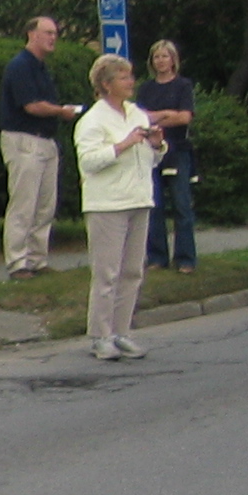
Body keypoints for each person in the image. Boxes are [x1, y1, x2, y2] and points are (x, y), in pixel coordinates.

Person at [74, 55, 164, 362]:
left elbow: (151, 160)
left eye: (130, 76)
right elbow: (89, 162)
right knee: (107, 272)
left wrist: (156, 145)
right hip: (107, 204)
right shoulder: (93, 121)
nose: (130, 82)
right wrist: (123, 144)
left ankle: (121, 332)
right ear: (106, 84)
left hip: (139, 198)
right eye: (123, 78)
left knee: (132, 271)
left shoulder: (137, 114)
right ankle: (100, 335)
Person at [0, 16, 82, 278]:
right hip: (24, 140)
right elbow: (32, 105)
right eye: (48, 32)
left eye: (55, 33)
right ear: (32, 34)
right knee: (24, 204)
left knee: (45, 205)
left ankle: (37, 259)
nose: (53, 37)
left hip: (46, 140)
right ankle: (17, 262)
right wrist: (61, 111)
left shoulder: (41, 68)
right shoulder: (20, 66)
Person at [136, 41, 199, 274]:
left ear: (173, 59)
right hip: (152, 151)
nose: (161, 61)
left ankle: (185, 258)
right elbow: (141, 119)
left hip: (177, 150)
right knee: (154, 206)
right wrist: (164, 114)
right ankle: (157, 257)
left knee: (182, 205)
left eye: (165, 56)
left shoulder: (183, 86)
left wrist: (158, 118)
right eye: (157, 57)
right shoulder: (146, 89)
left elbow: (184, 118)